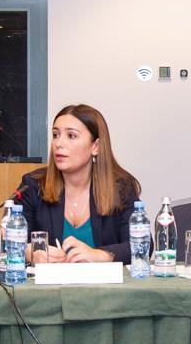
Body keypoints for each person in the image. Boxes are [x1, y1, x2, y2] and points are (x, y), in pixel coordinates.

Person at [16, 104, 141, 263]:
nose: (58, 143)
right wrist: (28, 253)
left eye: (71, 136)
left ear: (95, 146)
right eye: (55, 135)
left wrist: (99, 255)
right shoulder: (33, 185)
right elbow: (4, 245)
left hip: (103, 280)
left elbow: (141, 245)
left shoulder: (121, 187)